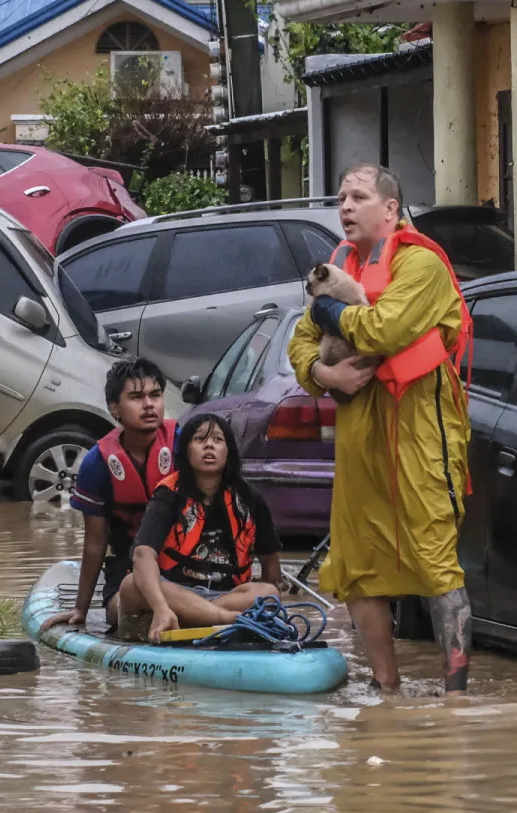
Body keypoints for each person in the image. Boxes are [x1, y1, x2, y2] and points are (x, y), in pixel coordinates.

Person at [286, 163, 474, 695]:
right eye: (341, 197)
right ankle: (386, 689)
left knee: (436, 562)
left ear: (390, 209)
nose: (344, 206)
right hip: (357, 435)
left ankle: (456, 698)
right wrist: (324, 372)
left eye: (359, 197)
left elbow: (383, 329)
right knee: (356, 563)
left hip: (419, 432)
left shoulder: (421, 265)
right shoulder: (339, 265)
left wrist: (326, 312)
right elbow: (298, 343)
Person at [115, 413, 283, 640]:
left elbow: (271, 570)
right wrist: (162, 606)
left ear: (229, 451)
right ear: (186, 450)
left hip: (225, 596)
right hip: (173, 592)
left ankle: (195, 616)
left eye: (217, 440)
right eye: (199, 439)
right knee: (130, 585)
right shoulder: (169, 494)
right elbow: (143, 554)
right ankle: (226, 621)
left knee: (269, 594)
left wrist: (267, 602)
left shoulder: (250, 498)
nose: (209, 446)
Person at [41, 358, 177, 631]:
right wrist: (81, 608)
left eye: (156, 395)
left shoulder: (184, 445)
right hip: (127, 569)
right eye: (137, 397)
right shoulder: (97, 463)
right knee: (118, 611)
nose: (149, 405)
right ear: (114, 408)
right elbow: (95, 543)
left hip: (182, 562)